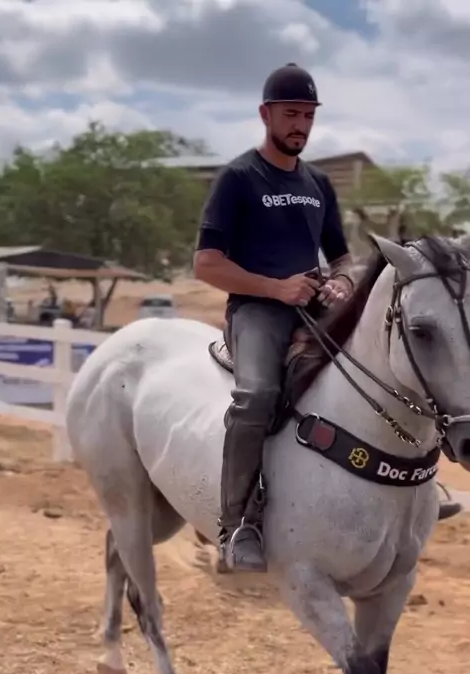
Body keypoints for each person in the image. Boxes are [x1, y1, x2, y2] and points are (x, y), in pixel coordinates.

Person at [193, 63, 460, 575]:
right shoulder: (238, 179)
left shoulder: (317, 182)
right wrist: (276, 287)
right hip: (257, 309)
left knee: (393, 363)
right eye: (291, 114)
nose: (300, 125)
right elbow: (206, 265)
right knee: (257, 397)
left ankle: (423, 486)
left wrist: (341, 281)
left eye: (308, 116)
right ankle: (237, 523)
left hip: (315, 302)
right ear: (265, 114)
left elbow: (340, 257)